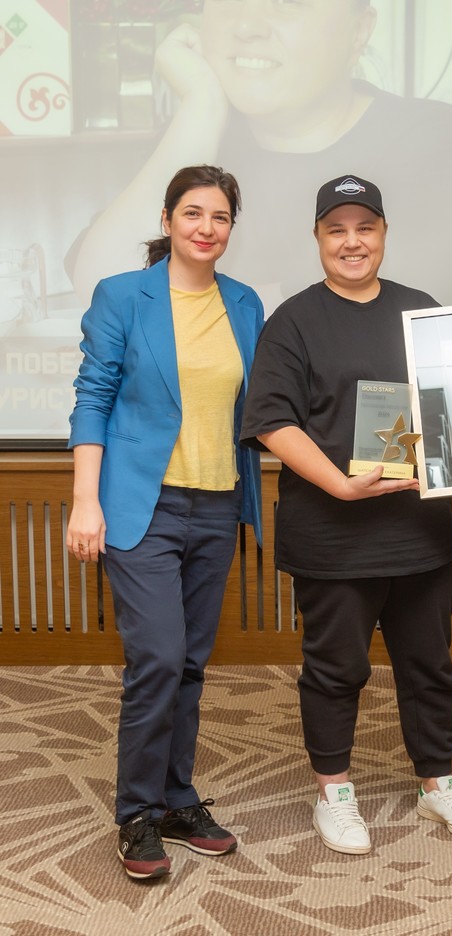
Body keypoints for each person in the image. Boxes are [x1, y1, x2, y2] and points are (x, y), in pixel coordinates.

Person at [240, 174, 452, 856]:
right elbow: (271, 420)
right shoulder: (294, 320)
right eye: (337, 230)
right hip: (332, 535)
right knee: (335, 669)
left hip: (418, 534)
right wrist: (339, 486)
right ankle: (334, 791)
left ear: (383, 234)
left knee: (429, 665)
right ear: (318, 238)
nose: (352, 243)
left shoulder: (421, 311)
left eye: (365, 228)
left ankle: (438, 780)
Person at [66, 166, 265, 880]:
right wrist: (85, 500)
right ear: (167, 218)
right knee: (156, 657)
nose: (206, 228)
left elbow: (263, 405)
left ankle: (178, 800)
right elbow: (93, 399)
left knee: (188, 662)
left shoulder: (244, 302)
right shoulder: (124, 295)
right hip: (140, 506)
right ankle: (137, 813)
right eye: (193, 213)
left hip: (216, 505)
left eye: (220, 217)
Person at [69, 0, 452, 309]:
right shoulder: (200, 134)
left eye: (287, 2)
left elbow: (399, 304)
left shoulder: (434, 138)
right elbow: (106, 290)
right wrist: (202, 106)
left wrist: (191, 302)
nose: (247, 26)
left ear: (358, 30)